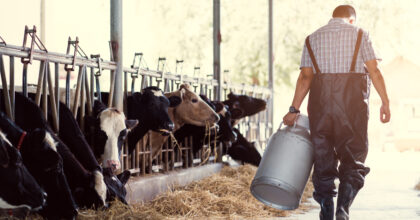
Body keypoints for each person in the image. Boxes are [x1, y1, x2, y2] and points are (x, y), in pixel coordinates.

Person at [282, 5, 390, 220]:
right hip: (352, 108)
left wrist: (294, 110)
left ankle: (326, 211)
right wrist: (385, 102)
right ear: (352, 19)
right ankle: (343, 209)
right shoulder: (360, 34)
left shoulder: (312, 38)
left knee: (323, 158)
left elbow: (305, 77)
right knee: (354, 157)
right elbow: (374, 71)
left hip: (320, 107)